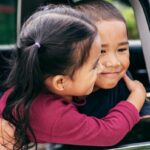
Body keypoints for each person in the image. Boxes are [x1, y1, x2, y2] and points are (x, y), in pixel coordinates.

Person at [0, 3, 146, 150]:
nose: (104, 66)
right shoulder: (51, 115)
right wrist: (136, 98)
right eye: (95, 64)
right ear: (61, 82)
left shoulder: (26, 89)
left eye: (121, 49)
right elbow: (108, 133)